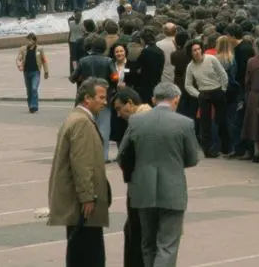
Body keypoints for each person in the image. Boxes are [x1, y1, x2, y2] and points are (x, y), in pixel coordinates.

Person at [118, 82, 199, 267]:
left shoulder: (136, 121)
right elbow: (193, 158)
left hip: (143, 190)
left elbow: (122, 154)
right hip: (172, 190)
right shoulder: (184, 123)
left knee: (147, 243)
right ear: (176, 99)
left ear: (154, 99)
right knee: (167, 245)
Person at [48, 78, 112, 267]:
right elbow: (82, 164)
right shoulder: (82, 123)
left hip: (79, 202)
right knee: (88, 253)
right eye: (101, 97)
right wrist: (87, 197)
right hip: (82, 205)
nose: (105, 102)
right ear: (87, 99)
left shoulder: (75, 118)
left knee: (79, 249)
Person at [112, 88, 152, 267]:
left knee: (135, 234)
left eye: (119, 108)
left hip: (139, 188)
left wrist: (128, 173)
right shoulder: (154, 118)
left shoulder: (137, 123)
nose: (119, 114)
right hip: (154, 188)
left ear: (130, 103)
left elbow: (124, 156)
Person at [15, 32, 50, 113]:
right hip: (26, 72)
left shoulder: (40, 49)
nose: (28, 42)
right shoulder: (23, 49)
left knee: (34, 88)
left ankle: (34, 106)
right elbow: (18, 58)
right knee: (29, 90)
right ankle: (30, 105)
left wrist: (46, 72)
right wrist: (19, 65)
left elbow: (44, 61)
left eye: (30, 40)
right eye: (27, 40)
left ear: (34, 41)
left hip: (36, 72)